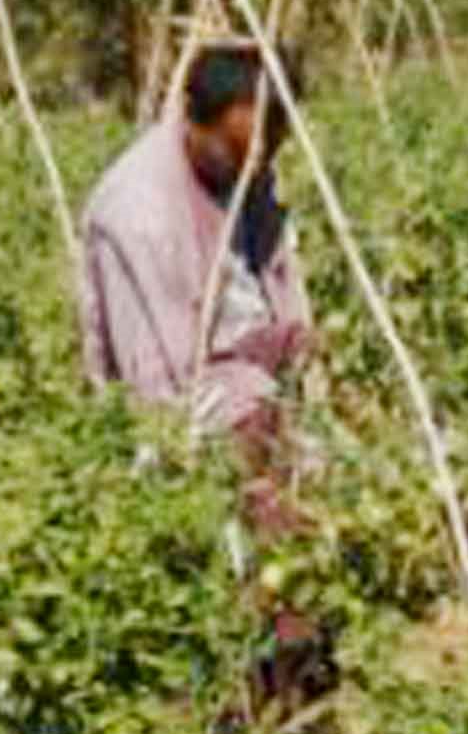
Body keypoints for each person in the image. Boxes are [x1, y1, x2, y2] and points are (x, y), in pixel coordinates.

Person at [79, 41, 317, 529]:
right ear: (192, 119)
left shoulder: (246, 168)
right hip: (186, 402)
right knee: (264, 466)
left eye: (267, 150)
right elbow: (160, 388)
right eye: (236, 152)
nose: (254, 167)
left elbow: (277, 284)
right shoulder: (139, 214)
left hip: (253, 373)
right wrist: (254, 397)